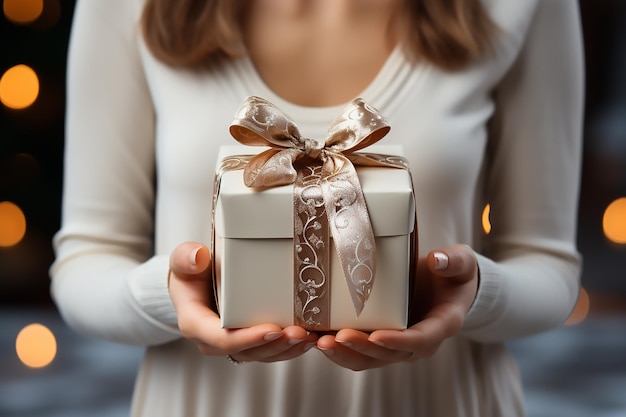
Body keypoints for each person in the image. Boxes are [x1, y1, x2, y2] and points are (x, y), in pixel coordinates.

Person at [50, 0, 584, 416]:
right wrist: (174, 296)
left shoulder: (517, 6)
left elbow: (549, 267)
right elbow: (85, 266)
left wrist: (473, 294)